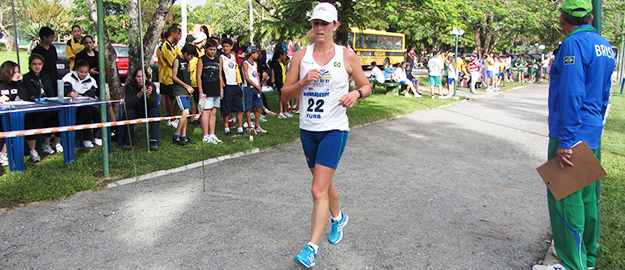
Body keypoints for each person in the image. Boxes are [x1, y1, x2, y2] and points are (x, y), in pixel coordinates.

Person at [280, 3, 371, 268]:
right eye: (316, 23)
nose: (319, 28)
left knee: (317, 189)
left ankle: (311, 248)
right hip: (308, 130)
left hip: (334, 130)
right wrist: (303, 82)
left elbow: (366, 85)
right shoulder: (300, 55)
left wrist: (356, 93)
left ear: (335, 26)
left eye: (325, 23)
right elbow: (285, 95)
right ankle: (339, 217)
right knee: (324, 184)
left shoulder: (346, 56)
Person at [532, 0, 616, 269]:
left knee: (566, 200)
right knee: (587, 198)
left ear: (562, 19)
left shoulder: (572, 44)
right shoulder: (603, 45)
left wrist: (566, 140)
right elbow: (604, 93)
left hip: (570, 132)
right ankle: (587, 259)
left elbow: (571, 93)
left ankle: (571, 264)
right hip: (591, 131)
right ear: (590, 16)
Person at [22, 54, 63, 157]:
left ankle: (48, 142)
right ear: (30, 65)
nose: (37, 66)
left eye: (39, 64)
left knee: (59, 115)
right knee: (31, 120)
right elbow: (31, 93)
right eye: (34, 64)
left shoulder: (46, 76)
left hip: (47, 104)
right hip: (33, 106)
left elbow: (50, 92)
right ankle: (33, 150)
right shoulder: (27, 77)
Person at [62, 59, 102, 148]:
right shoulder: (68, 77)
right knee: (87, 113)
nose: (83, 74)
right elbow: (65, 91)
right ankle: (86, 138)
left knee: (98, 112)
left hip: (86, 104)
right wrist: (70, 94)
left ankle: (97, 136)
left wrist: (82, 95)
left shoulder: (91, 80)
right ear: (76, 69)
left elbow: (93, 92)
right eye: (81, 72)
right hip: (72, 106)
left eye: (85, 72)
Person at [0, 61, 32, 164]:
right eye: (14, 72)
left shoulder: (18, 83)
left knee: (18, 126)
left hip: (12, 114)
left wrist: (19, 83)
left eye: (18, 72)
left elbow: (25, 97)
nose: (18, 74)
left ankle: (4, 153)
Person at [122, 68, 160, 151]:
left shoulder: (151, 86)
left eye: (142, 76)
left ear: (146, 77)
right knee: (128, 113)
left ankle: (153, 141)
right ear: (135, 77)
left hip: (147, 110)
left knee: (155, 112)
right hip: (135, 110)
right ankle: (128, 141)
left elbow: (154, 104)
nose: (140, 79)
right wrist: (140, 94)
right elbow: (129, 104)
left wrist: (148, 97)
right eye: (138, 76)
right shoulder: (129, 87)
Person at [171, 44, 198, 146]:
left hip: (187, 90)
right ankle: (176, 134)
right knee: (185, 111)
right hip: (180, 89)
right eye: (190, 56)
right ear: (186, 53)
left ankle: (184, 135)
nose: (191, 58)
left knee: (186, 113)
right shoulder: (177, 60)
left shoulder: (187, 62)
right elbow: (174, 76)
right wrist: (185, 86)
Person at [197, 39, 223, 144]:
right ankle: (205, 135)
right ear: (206, 49)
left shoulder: (218, 60)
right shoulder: (202, 60)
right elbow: (198, 76)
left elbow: (220, 75)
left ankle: (212, 134)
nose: (212, 52)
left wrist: (221, 90)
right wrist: (201, 92)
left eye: (214, 50)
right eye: (210, 49)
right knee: (205, 112)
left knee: (213, 111)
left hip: (215, 89)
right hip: (205, 90)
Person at [219, 37, 246, 137]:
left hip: (235, 85)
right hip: (227, 86)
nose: (225, 48)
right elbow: (220, 73)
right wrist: (222, 86)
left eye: (227, 46)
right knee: (226, 108)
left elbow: (235, 70)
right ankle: (226, 128)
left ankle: (240, 128)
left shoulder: (233, 57)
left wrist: (238, 82)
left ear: (231, 47)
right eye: (224, 46)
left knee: (239, 108)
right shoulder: (221, 58)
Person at [157, 27, 182, 128]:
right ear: (173, 33)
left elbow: (179, 56)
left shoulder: (172, 46)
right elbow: (173, 61)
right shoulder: (165, 46)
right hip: (168, 76)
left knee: (174, 96)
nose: (179, 36)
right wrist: (178, 60)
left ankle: (173, 116)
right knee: (169, 96)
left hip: (173, 75)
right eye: (178, 34)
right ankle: (171, 118)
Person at [241, 45, 267, 133]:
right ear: (252, 54)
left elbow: (256, 75)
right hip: (248, 87)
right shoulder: (245, 63)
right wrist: (256, 86)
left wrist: (259, 85)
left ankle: (257, 125)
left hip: (256, 87)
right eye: (256, 53)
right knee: (248, 107)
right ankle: (249, 125)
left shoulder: (255, 64)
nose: (257, 55)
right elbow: (247, 78)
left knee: (259, 107)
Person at [31, 27, 59, 94]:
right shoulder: (36, 50)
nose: (52, 39)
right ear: (44, 37)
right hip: (43, 76)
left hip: (53, 76)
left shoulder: (52, 48)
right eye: (51, 37)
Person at [189, 32, 207, 124]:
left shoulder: (200, 51)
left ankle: (198, 117)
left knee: (198, 100)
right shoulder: (195, 52)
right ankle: (193, 118)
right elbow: (191, 67)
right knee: (196, 100)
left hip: (200, 79)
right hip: (195, 80)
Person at [270, 49, 292, 119]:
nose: (285, 57)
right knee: (282, 97)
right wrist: (279, 84)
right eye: (284, 55)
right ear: (281, 56)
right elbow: (277, 75)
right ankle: (281, 111)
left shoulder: (282, 64)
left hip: (284, 82)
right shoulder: (276, 64)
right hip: (280, 83)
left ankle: (285, 111)